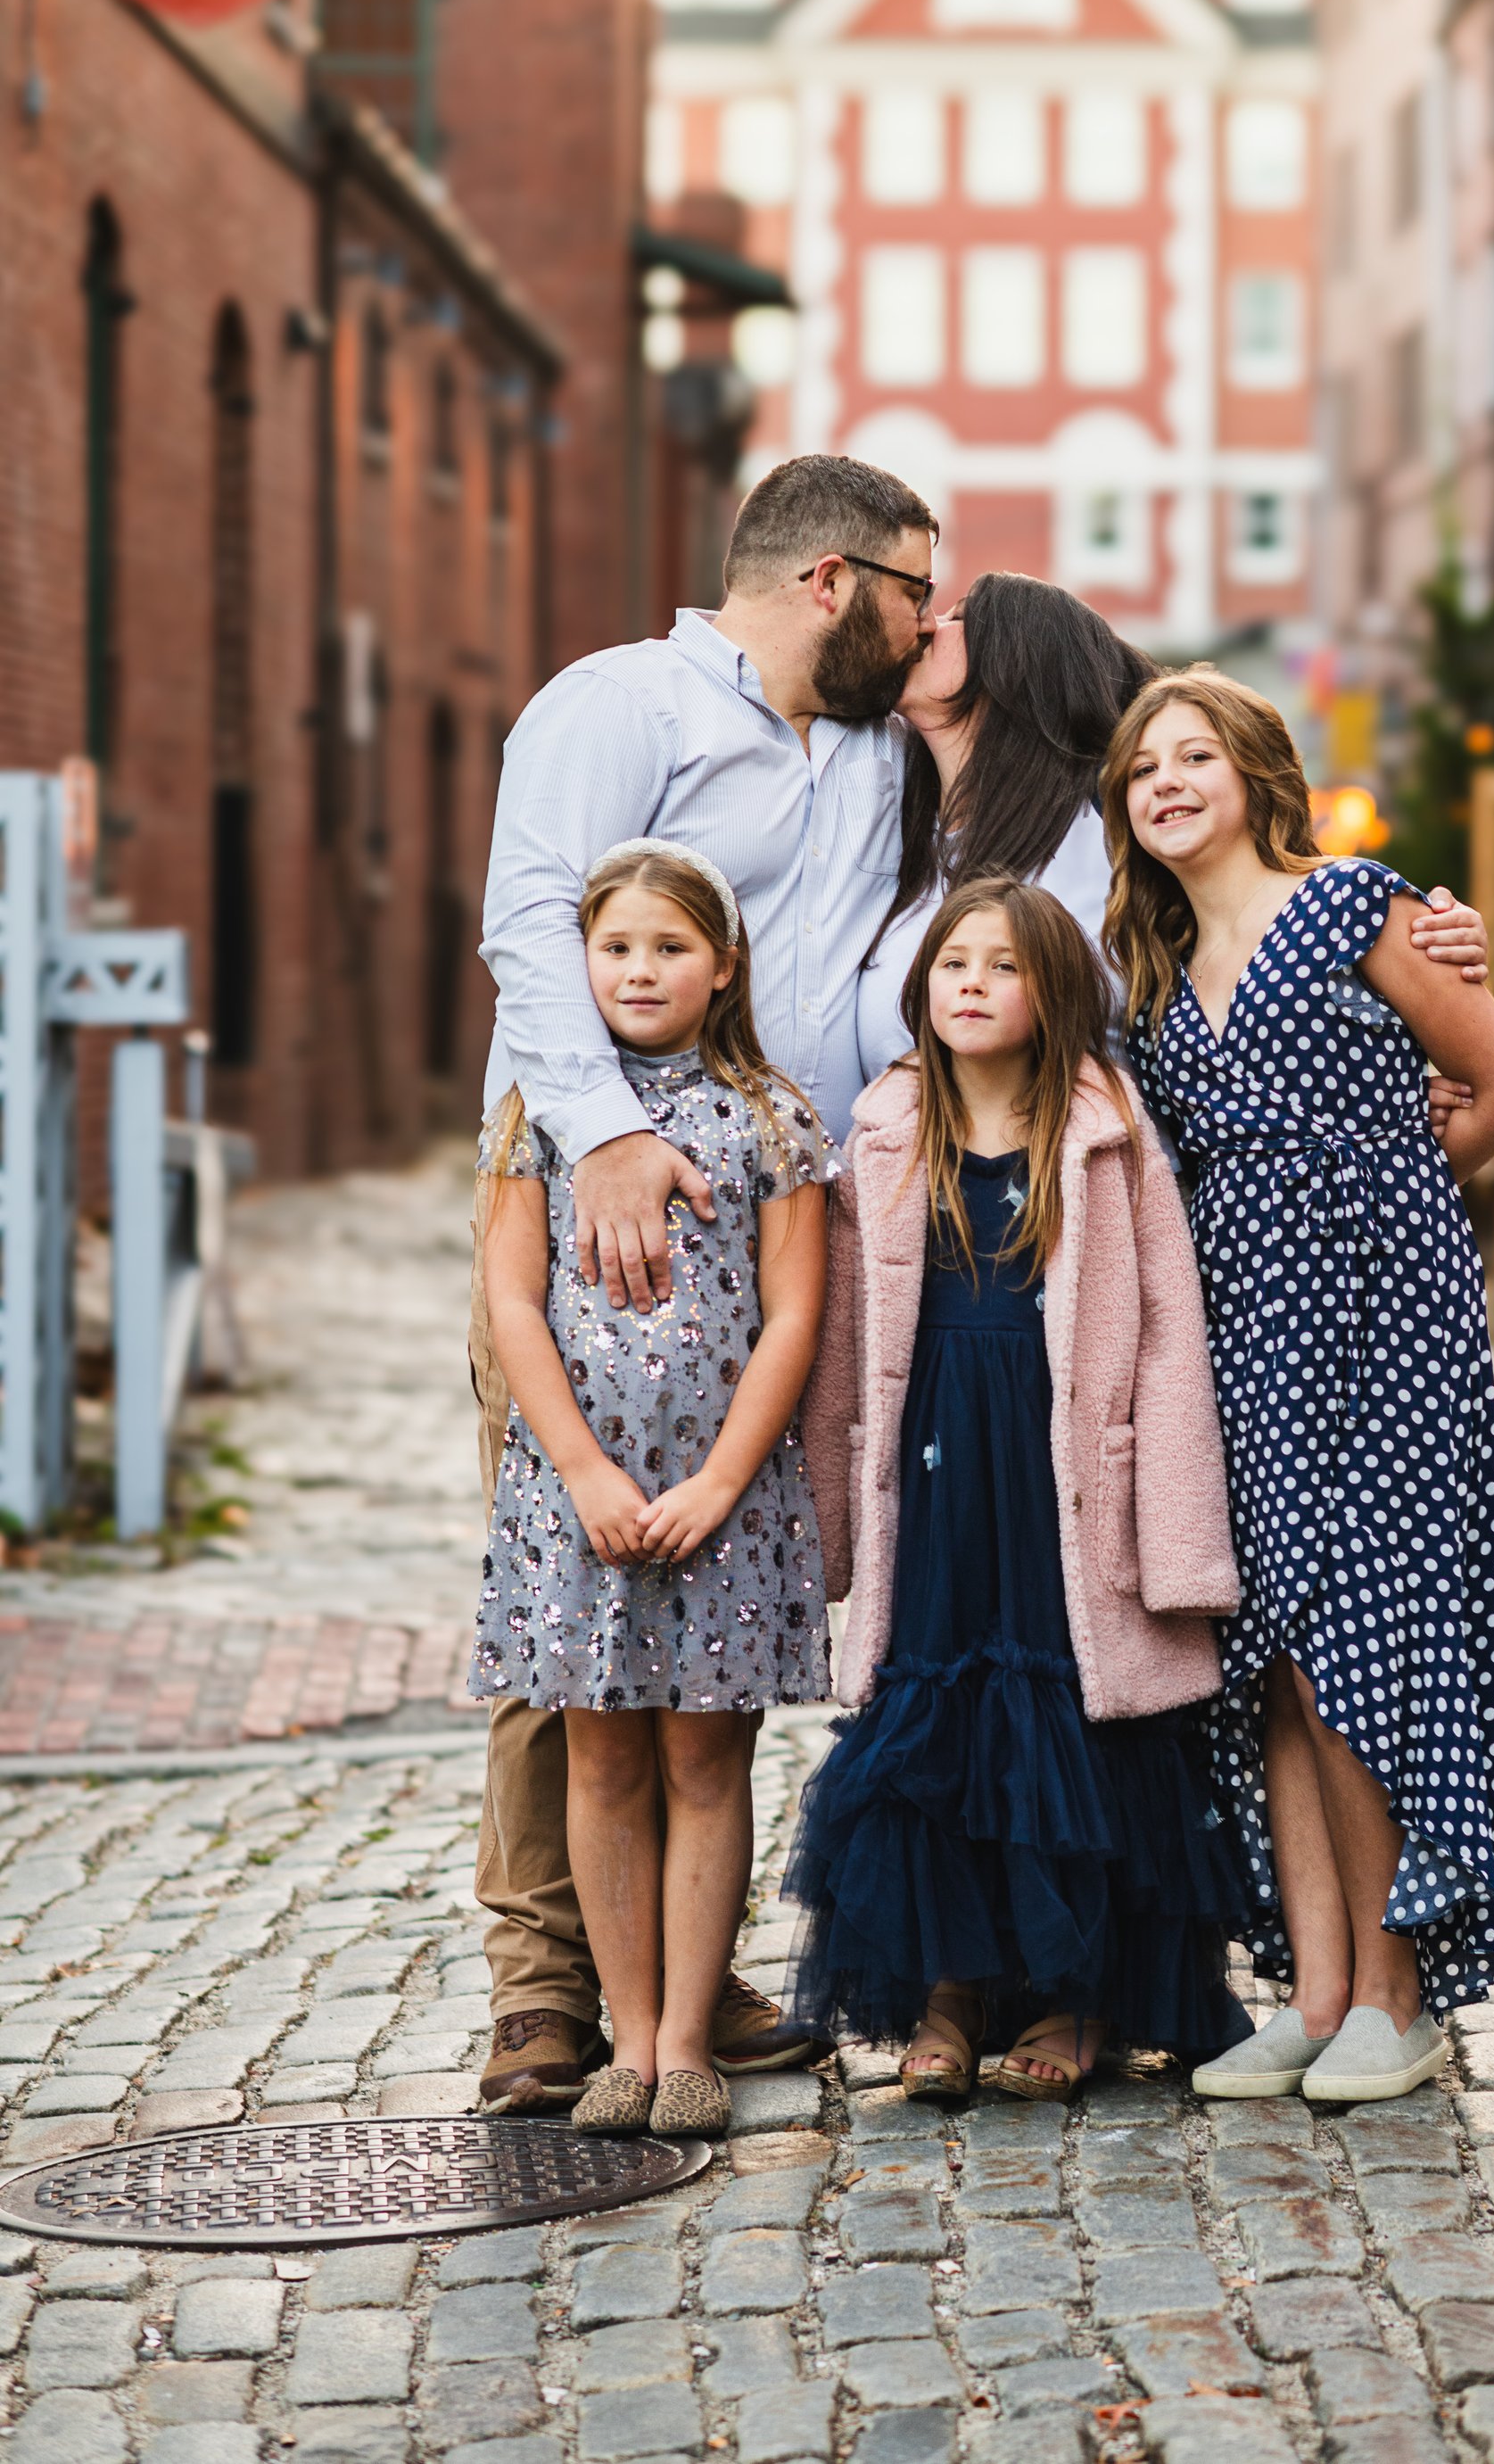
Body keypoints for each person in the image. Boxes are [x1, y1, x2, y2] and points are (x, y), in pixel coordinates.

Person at [470, 450, 937, 2114]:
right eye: (914, 590)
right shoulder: (622, 703)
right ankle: (551, 1993)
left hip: (788, 1203)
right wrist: (599, 1136)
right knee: (578, 1598)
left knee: (720, 1599)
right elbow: (533, 922)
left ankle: (678, 1983)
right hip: (601, 1196)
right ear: (833, 582)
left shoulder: (881, 750)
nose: (927, 621)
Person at [1104, 667, 1494, 2108]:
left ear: (1253, 771)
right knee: (1274, 1658)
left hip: (1379, 1325)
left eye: (1193, 757)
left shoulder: (1361, 906)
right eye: (1142, 769)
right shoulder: (1154, 974)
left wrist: (1384, 1211)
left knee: (1360, 1633)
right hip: (1236, 1329)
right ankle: (1319, 1985)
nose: (1166, 782)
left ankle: (1398, 1997)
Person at [786, 880, 1251, 2103]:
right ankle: (948, 1988)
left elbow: (1166, 1327)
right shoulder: (885, 1129)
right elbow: (842, 1336)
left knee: (1073, 1699)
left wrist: (1176, 1521)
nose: (973, 983)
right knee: (936, 1697)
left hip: (1065, 1467)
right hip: (938, 1449)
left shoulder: (1103, 1127)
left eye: (1002, 964)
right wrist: (830, 1517)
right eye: (953, 964)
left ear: (1053, 991)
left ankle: (1073, 1993)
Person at [473, 839, 838, 2136]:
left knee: (702, 1757)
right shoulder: (541, 1112)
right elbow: (515, 1299)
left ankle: (689, 2037)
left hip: (719, 1505)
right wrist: (579, 1468)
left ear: (723, 965)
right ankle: (622, 2038)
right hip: (577, 1504)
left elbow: (793, 1316)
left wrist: (723, 1480)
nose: (639, 968)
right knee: (603, 1758)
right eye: (616, 945)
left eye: (669, 946)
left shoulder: (770, 1117)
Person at [855, 570, 1492, 1084]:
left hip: (1093, 1210)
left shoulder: (1117, 842)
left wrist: (1415, 937)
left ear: (1017, 665)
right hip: (905, 1210)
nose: (931, 625)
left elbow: (1267, 917)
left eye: (961, 617)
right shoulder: (883, 807)